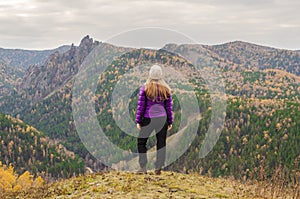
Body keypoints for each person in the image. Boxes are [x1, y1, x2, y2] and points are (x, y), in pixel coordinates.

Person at [135, 64, 173, 175]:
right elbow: (168, 108)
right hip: (162, 119)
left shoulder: (145, 87)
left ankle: (143, 167)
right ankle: (158, 168)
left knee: (141, 142)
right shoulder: (166, 89)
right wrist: (170, 121)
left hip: (148, 118)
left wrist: (139, 121)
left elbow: (141, 106)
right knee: (161, 143)